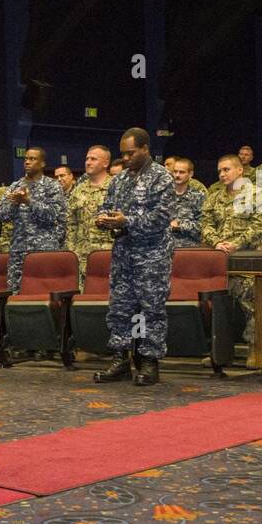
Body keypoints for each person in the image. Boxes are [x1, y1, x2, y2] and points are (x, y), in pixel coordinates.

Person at [93, 128, 175, 386]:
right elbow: (107, 207)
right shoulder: (119, 180)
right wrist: (104, 219)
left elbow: (161, 218)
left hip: (151, 255)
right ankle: (121, 358)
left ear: (145, 149)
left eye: (131, 153)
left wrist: (126, 221)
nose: (126, 158)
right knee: (120, 308)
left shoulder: (161, 177)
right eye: (123, 154)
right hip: (123, 254)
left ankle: (148, 360)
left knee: (149, 309)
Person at [201, 155, 262, 346]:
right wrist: (216, 243)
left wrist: (236, 244)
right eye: (220, 171)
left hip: (248, 260)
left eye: (226, 169)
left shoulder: (257, 195)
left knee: (252, 298)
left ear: (240, 170)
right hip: (220, 262)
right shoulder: (214, 197)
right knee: (215, 304)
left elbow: (261, 225)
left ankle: (256, 347)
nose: (222, 174)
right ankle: (220, 349)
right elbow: (205, 225)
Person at [0, 147, 67, 294]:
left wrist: (29, 201)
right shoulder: (15, 186)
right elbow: (3, 215)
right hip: (18, 250)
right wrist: (14, 203)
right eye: (26, 159)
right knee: (16, 295)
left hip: (44, 250)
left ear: (42, 163)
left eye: (32, 159)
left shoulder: (52, 186)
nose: (27, 162)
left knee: (44, 295)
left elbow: (53, 215)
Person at [67, 145, 113, 285]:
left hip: (110, 256)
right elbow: (71, 223)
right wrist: (72, 250)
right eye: (87, 158)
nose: (88, 162)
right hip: (82, 258)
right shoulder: (78, 190)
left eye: (93, 159)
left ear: (105, 163)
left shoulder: (116, 187)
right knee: (84, 302)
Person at [168, 157, 205, 245]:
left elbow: (204, 225)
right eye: (175, 171)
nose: (177, 175)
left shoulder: (199, 197)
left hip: (189, 247)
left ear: (190, 174)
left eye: (182, 172)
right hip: (164, 249)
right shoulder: (164, 195)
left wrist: (180, 225)